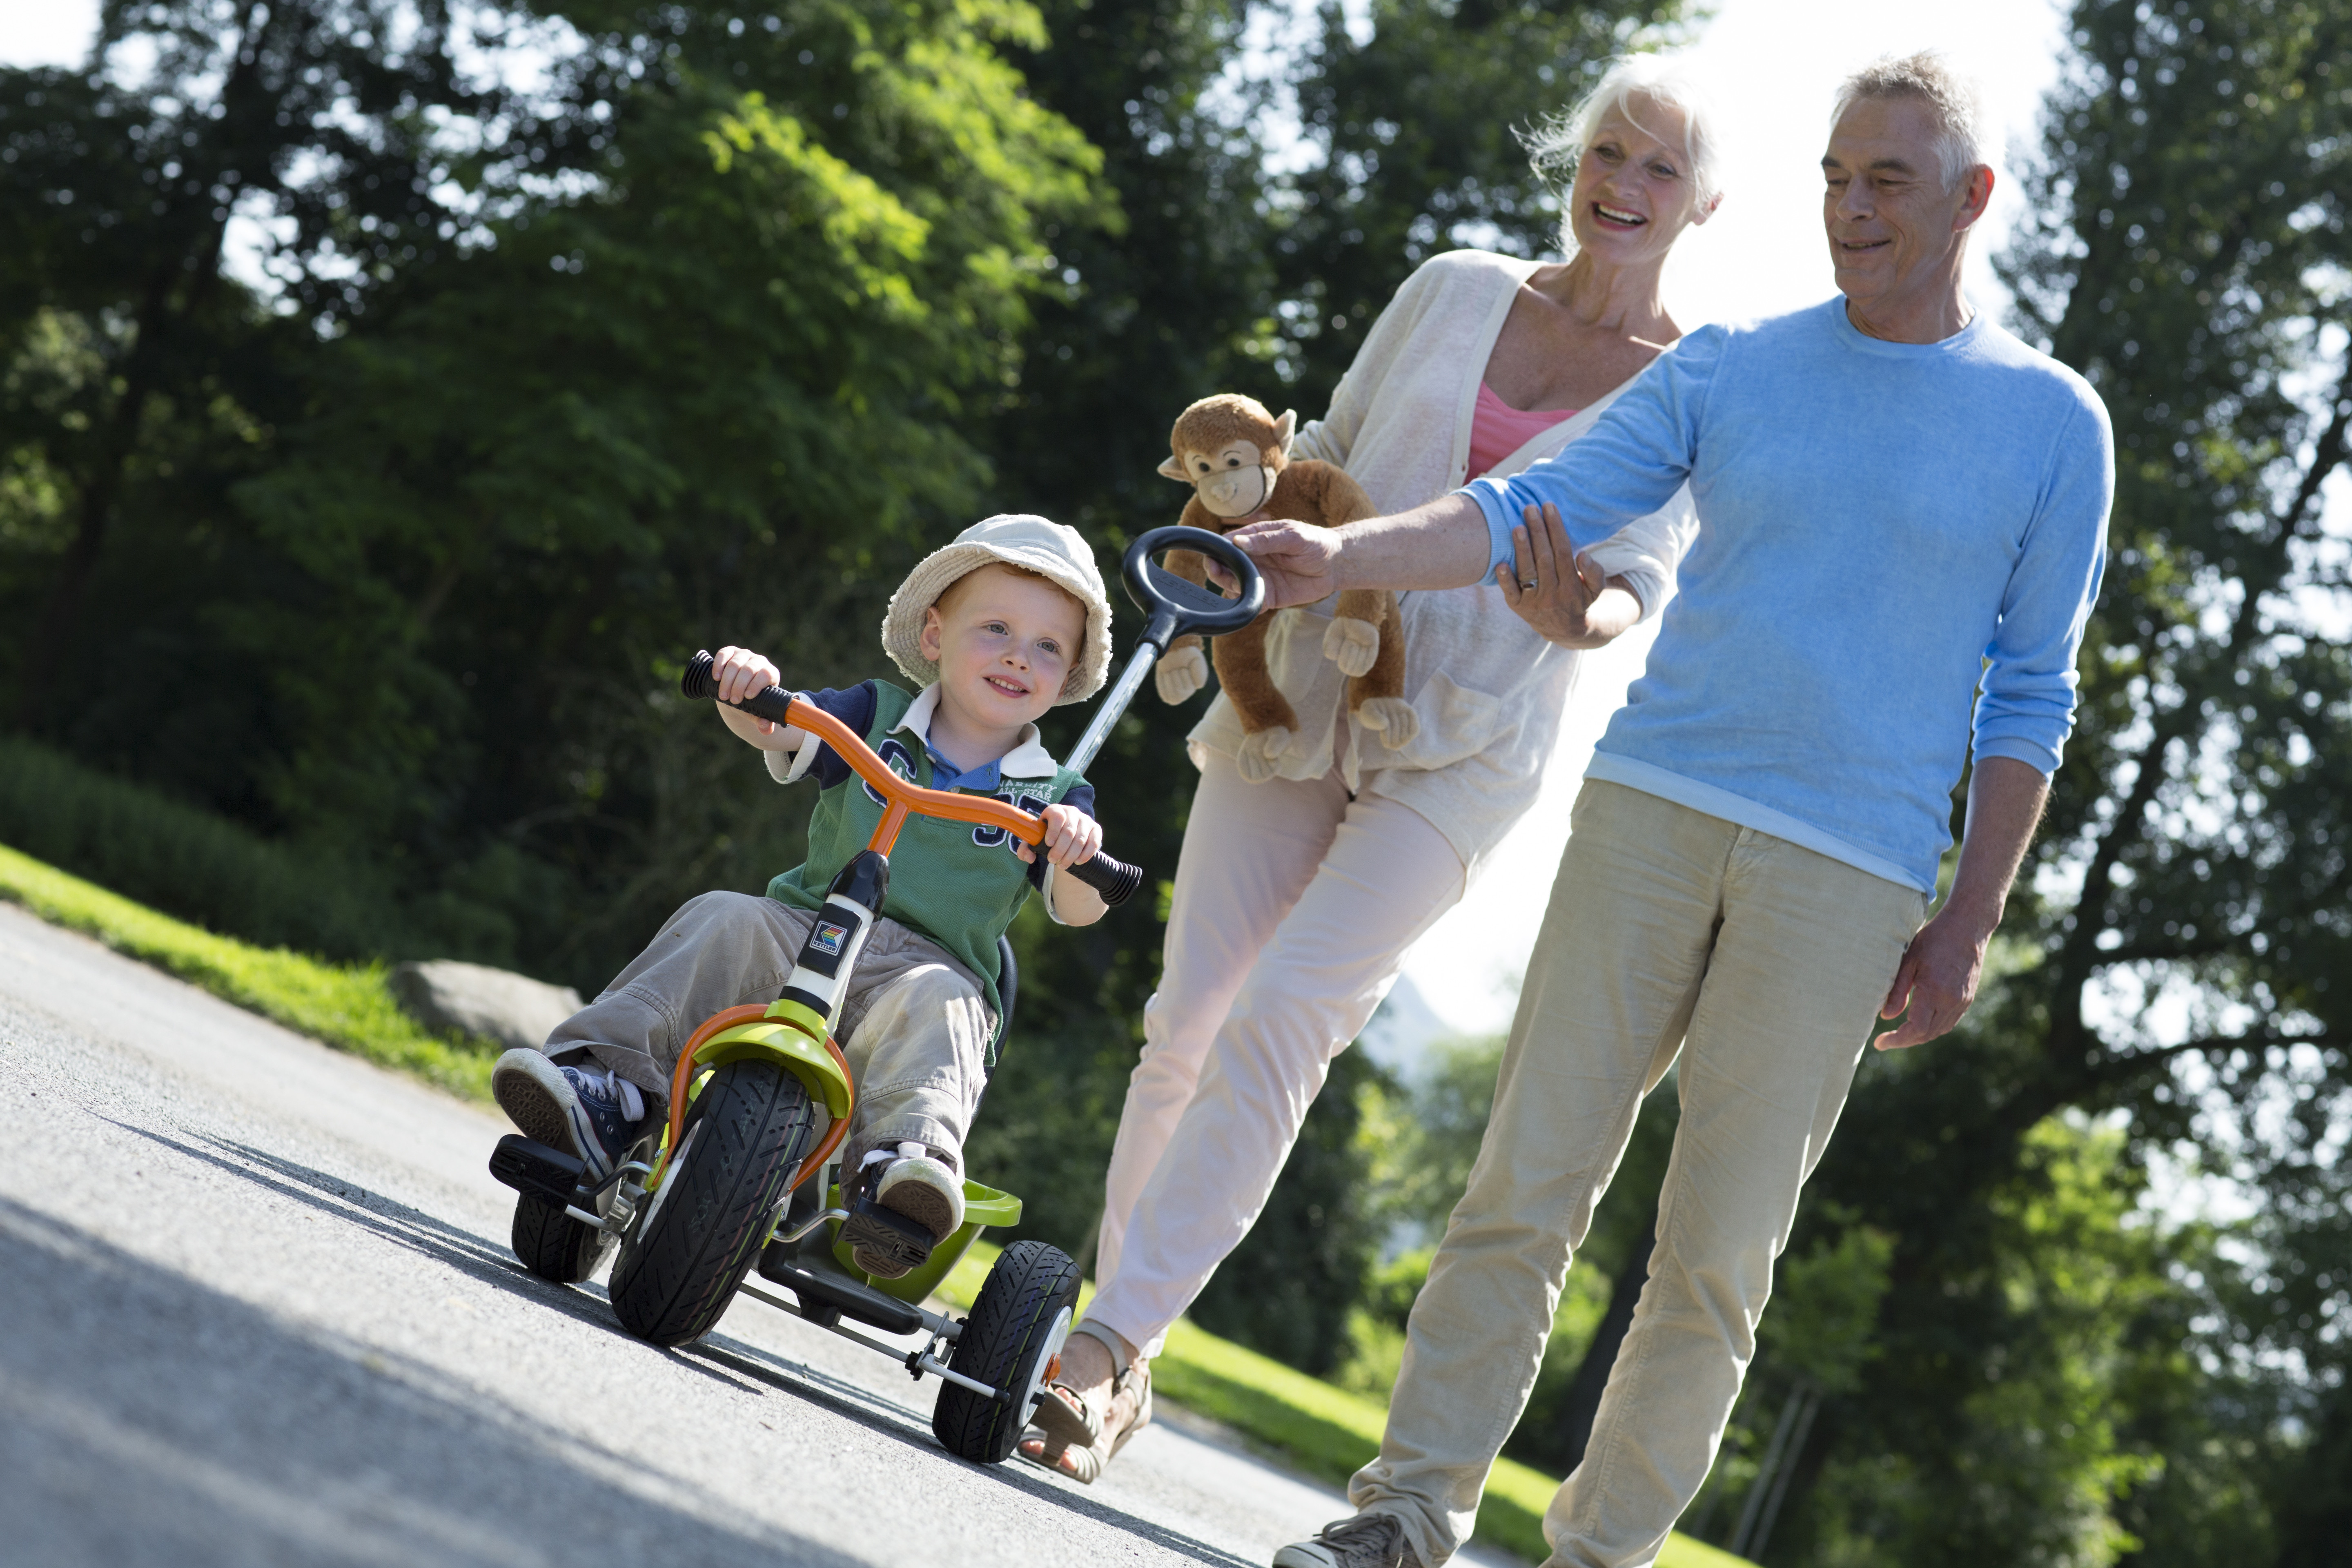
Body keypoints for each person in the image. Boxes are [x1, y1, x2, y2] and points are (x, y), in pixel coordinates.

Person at [1228, 52, 2115, 1568]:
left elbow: (2033, 691)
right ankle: (1405, 1512)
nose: (1849, 206)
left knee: (1714, 1262)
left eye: (1887, 179)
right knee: (1527, 1182)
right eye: (1835, 176)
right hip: (1654, 805)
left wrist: (1969, 918)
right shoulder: (1735, 365)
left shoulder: (2052, 424)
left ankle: (1602, 1553)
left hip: (1853, 875)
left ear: (1973, 197)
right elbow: (1523, 510)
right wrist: (1351, 554)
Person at [1023, 57, 1718, 1482]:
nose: (1625, 185)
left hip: (1463, 750)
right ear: (1573, 158)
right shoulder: (1458, 286)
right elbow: (1327, 448)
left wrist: (1565, 610)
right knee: (1188, 1022)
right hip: (1297, 692)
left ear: (1707, 202)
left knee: (1288, 1015)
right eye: (1610, 149)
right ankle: (1125, 1351)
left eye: (1661, 167)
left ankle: (1098, 1354)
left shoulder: (1692, 389)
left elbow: (1629, 590)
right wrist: (1244, 538)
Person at [488, 514, 1116, 1278]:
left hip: (924, 972)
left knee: (945, 1003)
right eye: (996, 628)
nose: (1021, 655)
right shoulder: (875, 715)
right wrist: (746, 687)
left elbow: (1080, 904)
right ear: (933, 636)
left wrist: (1077, 851)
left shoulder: (1052, 795)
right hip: (806, 932)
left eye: (1050, 646)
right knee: (725, 915)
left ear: (1069, 674)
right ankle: (608, 1088)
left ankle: (902, 1166)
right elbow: (777, 730)